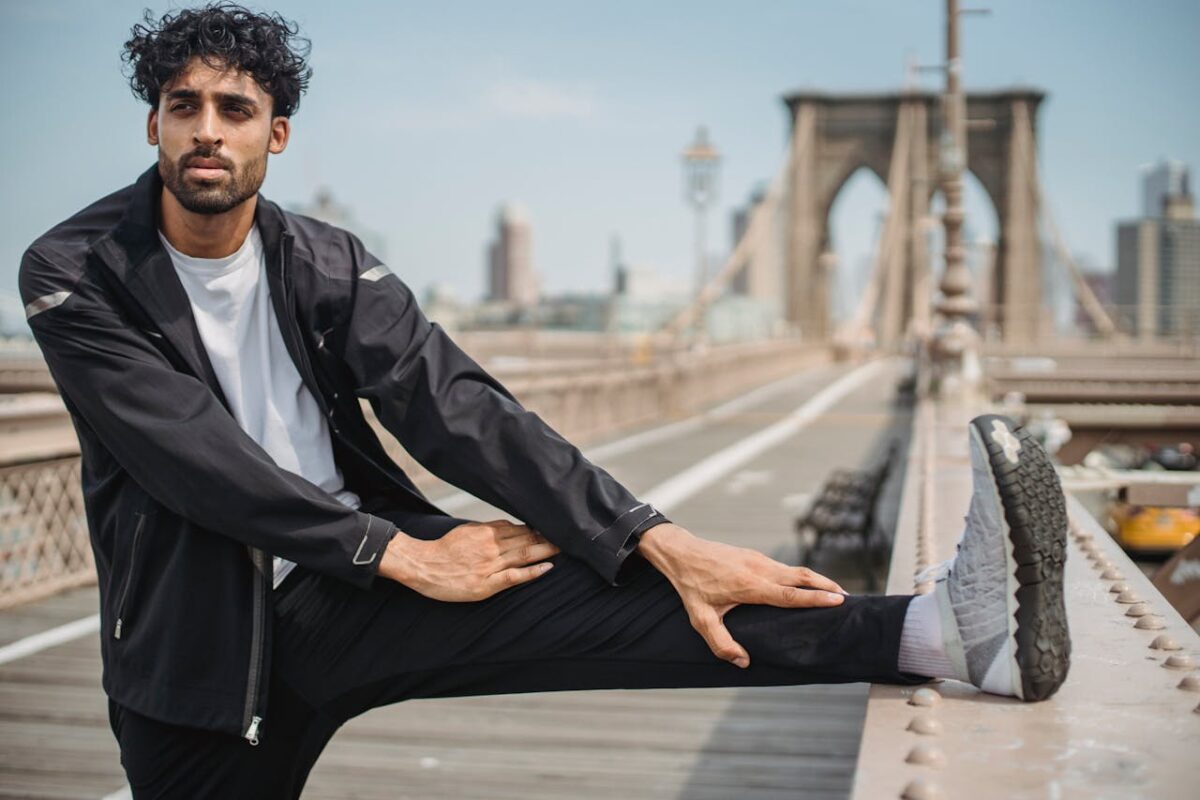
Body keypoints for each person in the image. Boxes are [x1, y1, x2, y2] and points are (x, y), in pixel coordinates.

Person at [17, 4, 1071, 797]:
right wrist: (397, 549)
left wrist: (652, 535)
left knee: (643, 598)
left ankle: (938, 634)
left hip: (349, 596)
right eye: (183, 106)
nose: (207, 130)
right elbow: (189, 453)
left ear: (274, 135)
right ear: (153, 122)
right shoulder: (73, 268)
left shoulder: (324, 261)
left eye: (234, 109)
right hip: (194, 649)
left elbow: (454, 403)